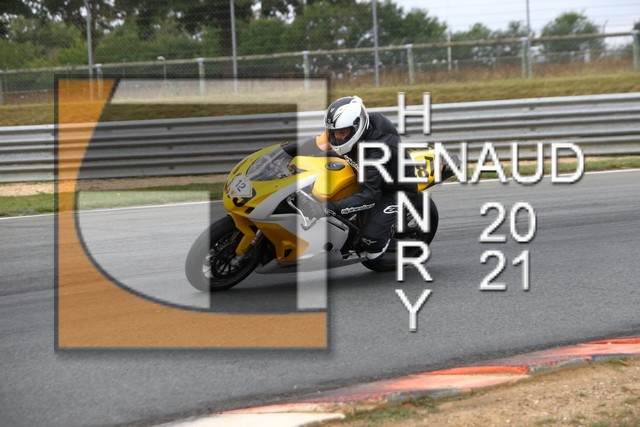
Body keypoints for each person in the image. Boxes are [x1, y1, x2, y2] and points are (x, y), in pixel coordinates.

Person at [313, 95, 421, 260]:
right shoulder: (356, 125)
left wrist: (331, 207)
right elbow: (315, 143)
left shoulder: (378, 149)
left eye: (342, 133)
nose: (338, 137)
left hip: (394, 190)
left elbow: (370, 194)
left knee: (370, 245)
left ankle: (407, 247)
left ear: (358, 126)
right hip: (368, 174)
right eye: (334, 133)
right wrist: (283, 151)